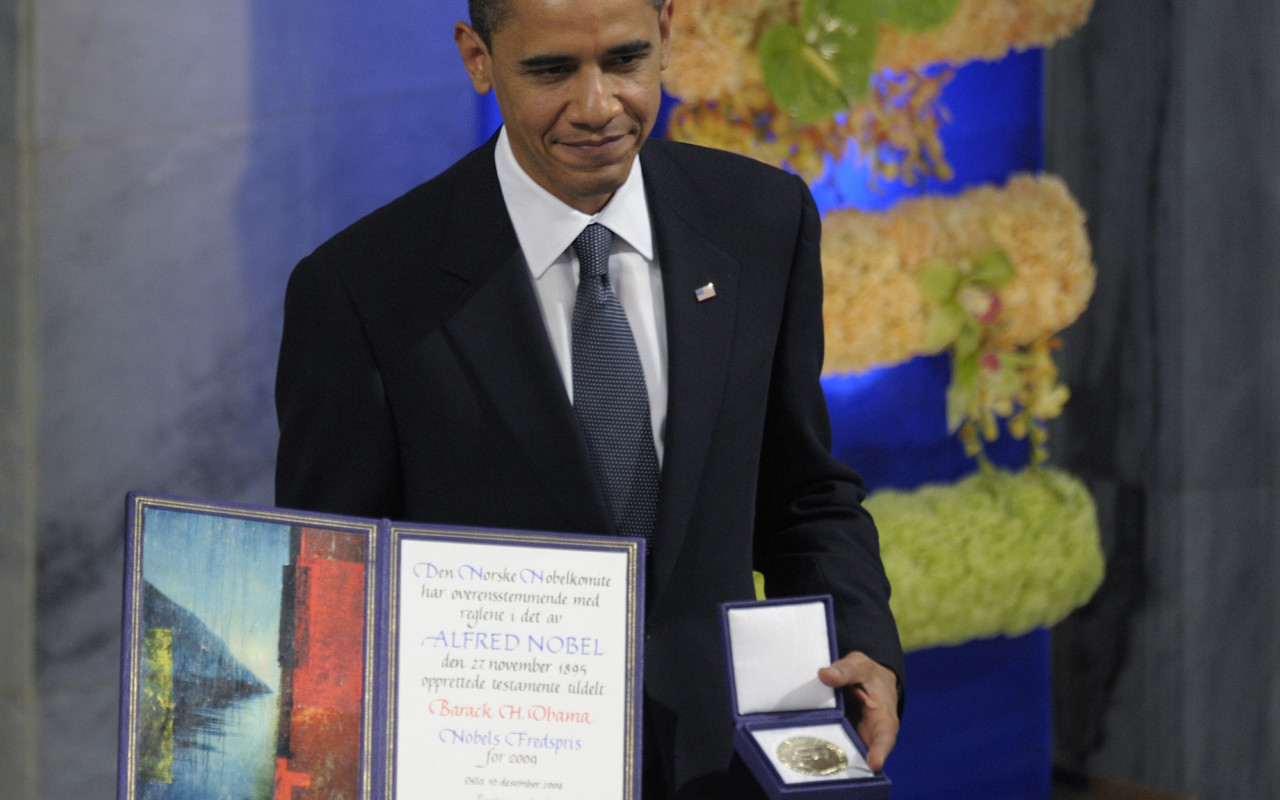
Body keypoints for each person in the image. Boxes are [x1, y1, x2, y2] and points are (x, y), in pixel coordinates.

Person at [274, 0, 903, 796]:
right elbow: (333, 597)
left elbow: (804, 494)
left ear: (668, 35)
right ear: (477, 57)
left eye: (626, 60)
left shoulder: (761, 222)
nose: (598, 105)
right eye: (551, 70)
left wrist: (864, 646)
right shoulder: (363, 290)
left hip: (726, 771)